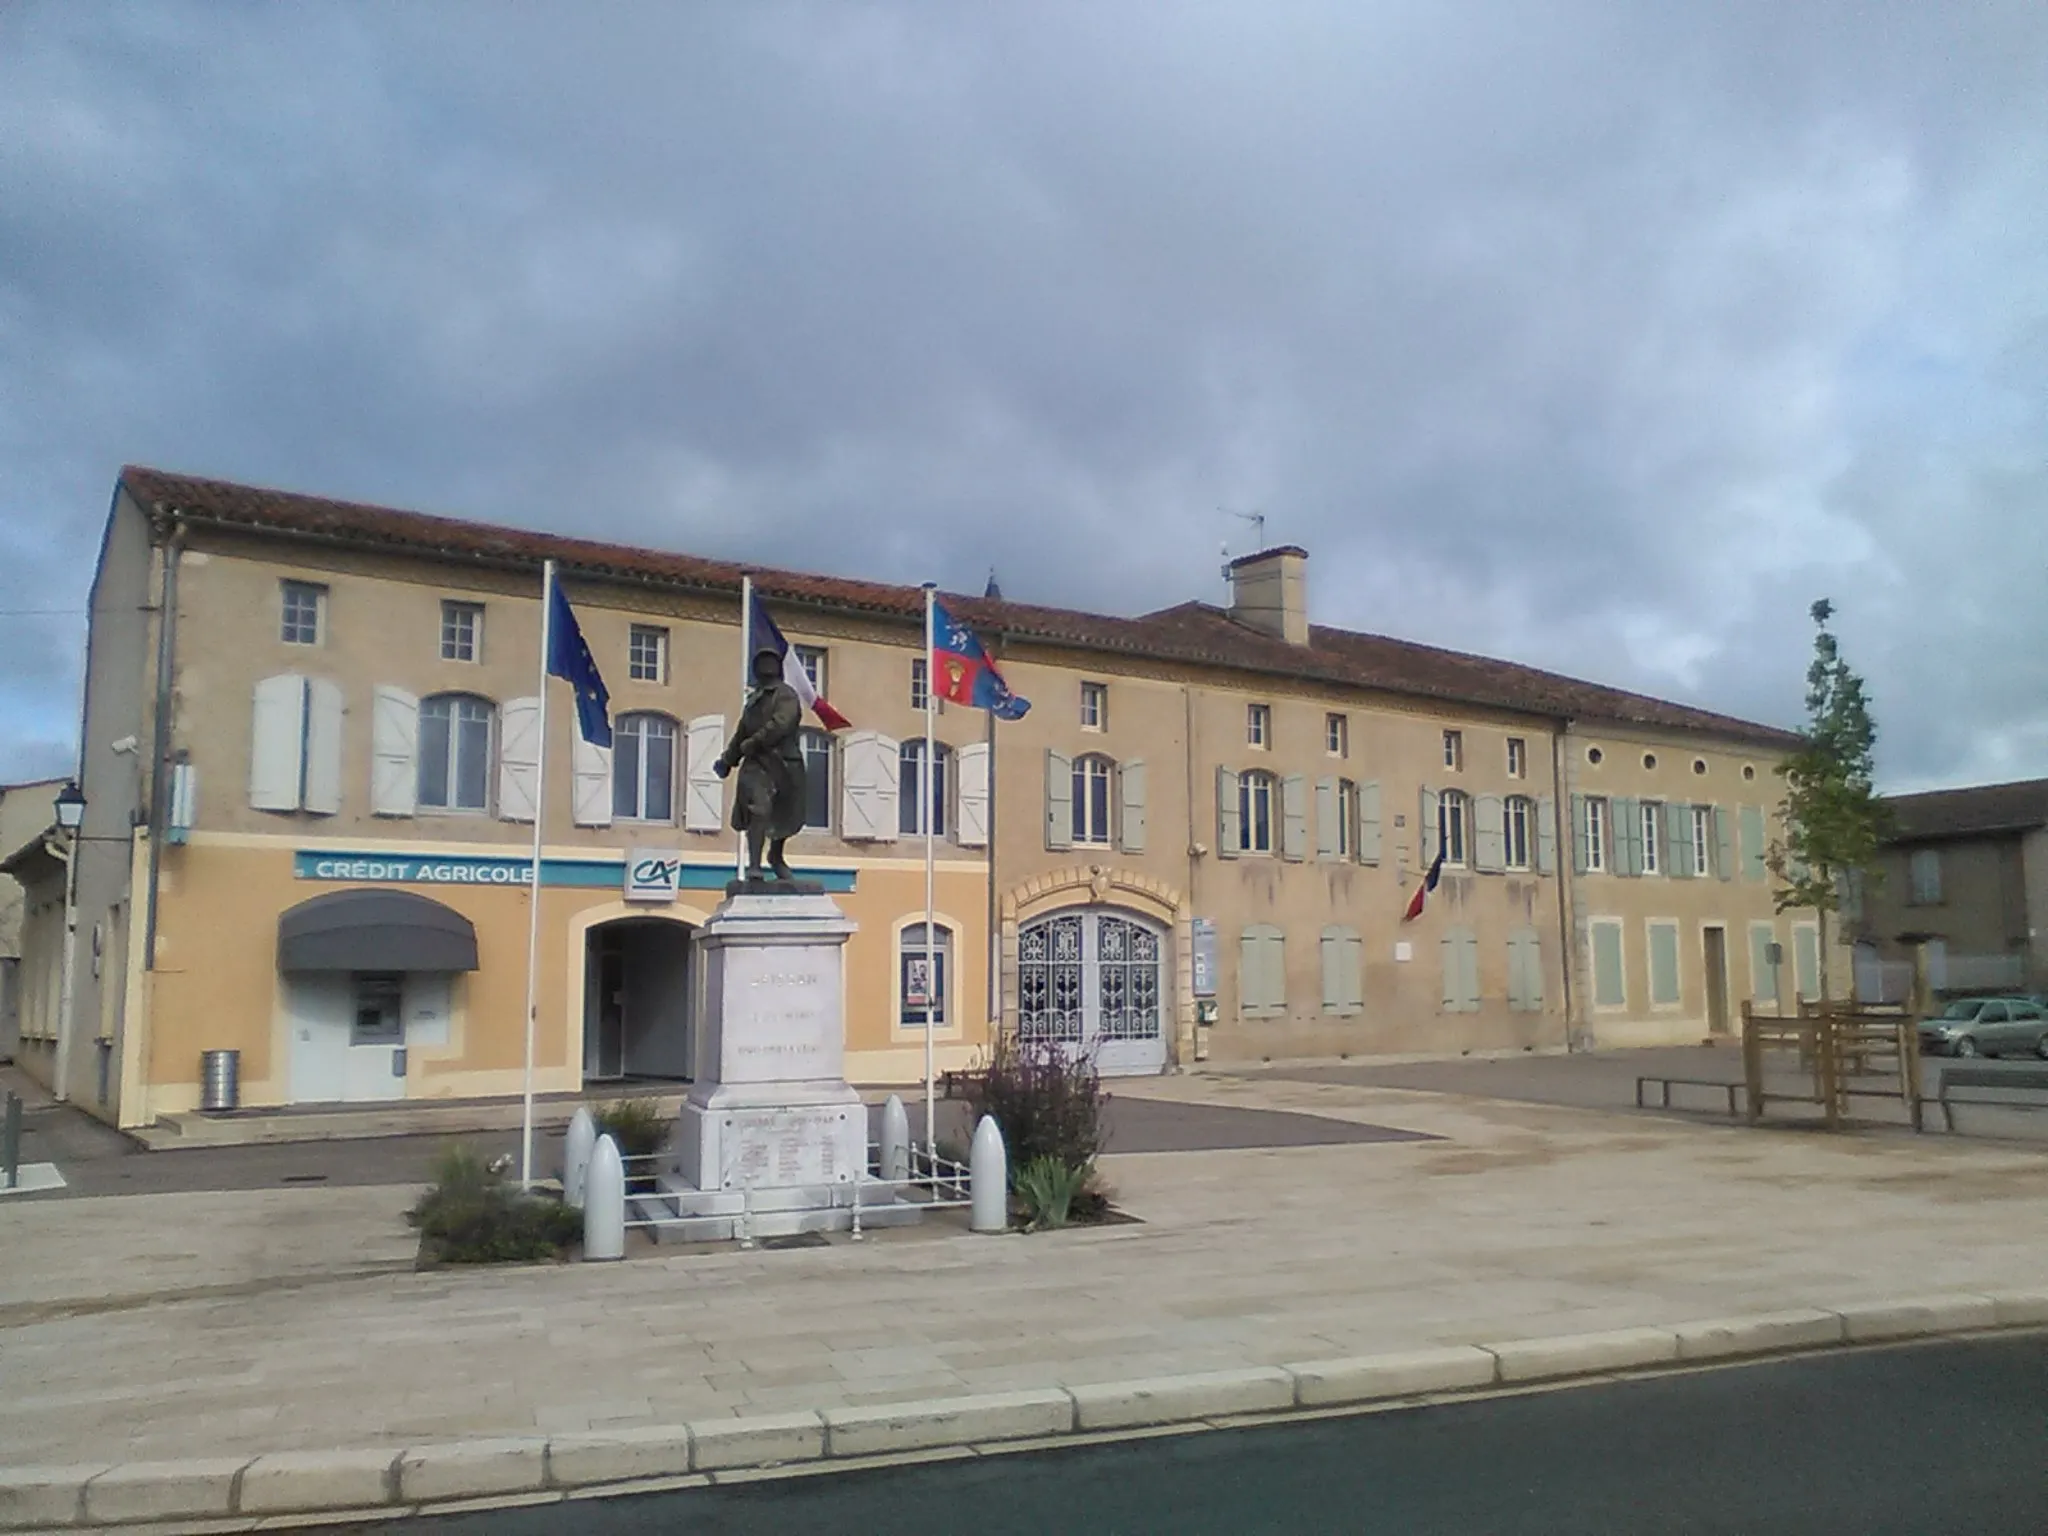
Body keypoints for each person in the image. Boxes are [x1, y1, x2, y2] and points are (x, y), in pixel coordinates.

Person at [714, 647, 806, 881]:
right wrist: (727, 760)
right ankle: (754, 865)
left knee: (785, 815)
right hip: (756, 765)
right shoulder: (753, 701)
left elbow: (781, 723)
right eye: (761, 661)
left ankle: (776, 856)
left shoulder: (786, 695)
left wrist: (755, 741)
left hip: (783, 763)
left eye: (770, 661)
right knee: (759, 809)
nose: (766, 665)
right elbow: (741, 733)